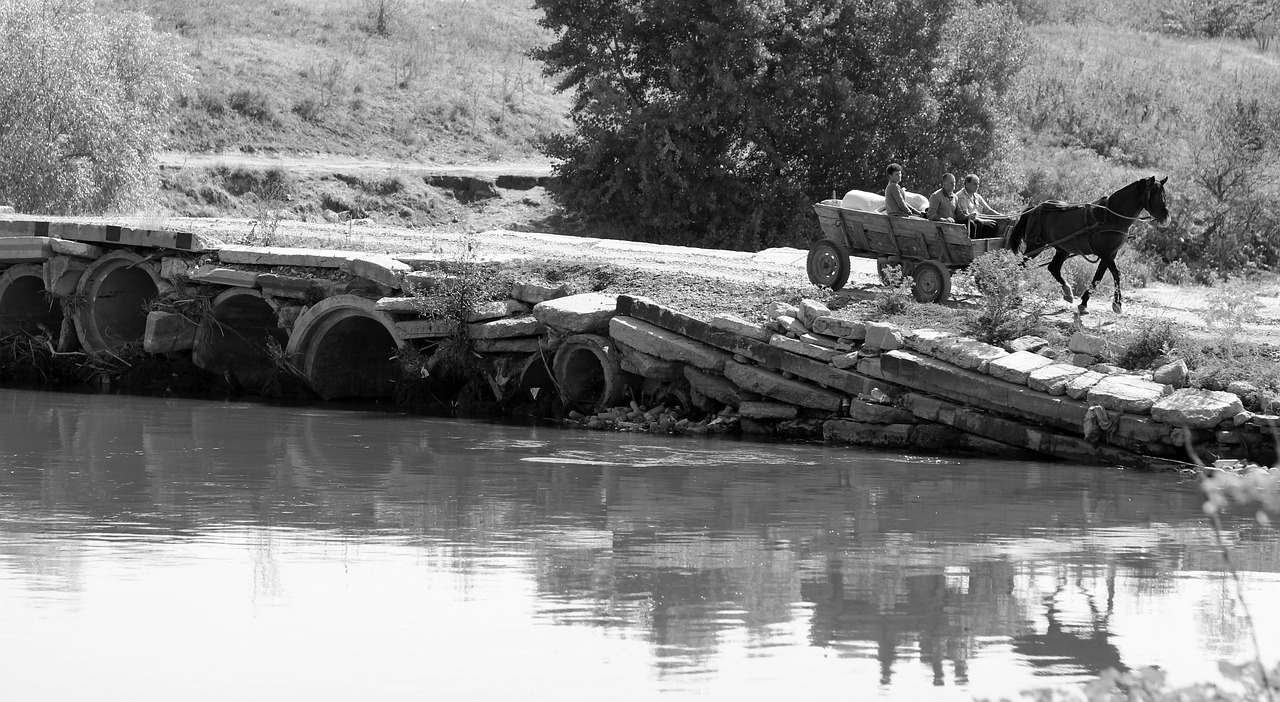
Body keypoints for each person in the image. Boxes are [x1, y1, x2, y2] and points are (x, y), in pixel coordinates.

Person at [955, 173, 1003, 238]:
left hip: (977, 222)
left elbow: (988, 210)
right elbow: (965, 215)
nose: (977, 186)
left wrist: (1002, 216)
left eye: (978, 184)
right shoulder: (960, 196)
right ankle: (975, 244)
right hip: (966, 222)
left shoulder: (977, 197)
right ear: (967, 183)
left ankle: (985, 244)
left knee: (993, 225)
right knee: (978, 223)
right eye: (974, 184)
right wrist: (983, 221)